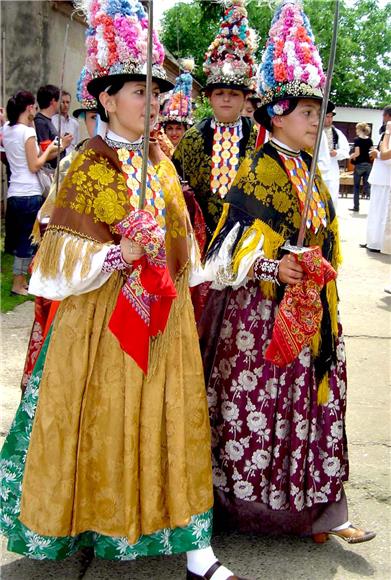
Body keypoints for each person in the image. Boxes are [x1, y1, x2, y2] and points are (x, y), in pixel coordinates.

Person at [0, 2, 246, 579]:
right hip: (103, 327)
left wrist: (228, 266)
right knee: (106, 423)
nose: (153, 101)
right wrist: (116, 254)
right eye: (140, 91)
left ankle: (198, 552)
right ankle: (99, 522)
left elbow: (183, 254)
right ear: (107, 99)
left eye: (155, 91)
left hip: (168, 324)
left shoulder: (162, 164)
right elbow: (52, 268)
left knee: (175, 424)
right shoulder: (88, 165)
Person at [196, 0, 375, 545]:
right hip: (263, 320)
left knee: (315, 403)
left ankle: (320, 510)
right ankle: (262, 509)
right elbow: (228, 251)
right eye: (309, 114)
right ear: (277, 113)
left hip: (313, 313)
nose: (318, 123)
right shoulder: (261, 169)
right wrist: (278, 264)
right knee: (265, 408)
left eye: (319, 114)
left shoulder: (309, 171)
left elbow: (326, 242)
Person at [20, 67, 100, 394]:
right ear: (84, 119)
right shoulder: (71, 162)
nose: (98, 124)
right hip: (76, 269)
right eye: (91, 117)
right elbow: (49, 215)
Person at [173, 0, 258, 247]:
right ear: (209, 97)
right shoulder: (193, 137)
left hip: (248, 237)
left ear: (244, 99)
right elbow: (177, 182)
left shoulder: (258, 137)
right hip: (200, 235)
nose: (226, 100)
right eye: (220, 93)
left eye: (233, 94)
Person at [2, 91, 59, 295]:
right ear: (29, 108)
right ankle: (19, 284)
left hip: (14, 192)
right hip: (29, 192)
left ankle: (25, 280)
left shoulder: (8, 131)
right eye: (33, 107)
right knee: (29, 241)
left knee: (21, 241)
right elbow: (35, 165)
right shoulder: (27, 133)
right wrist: (50, 149)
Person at [361, 106, 391, 253]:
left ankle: (378, 243)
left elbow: (387, 157)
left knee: (382, 214)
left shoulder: (389, 133)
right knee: (374, 212)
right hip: (380, 177)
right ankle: (372, 240)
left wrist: (377, 154)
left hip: (386, 179)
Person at [318, 101, 350, 209]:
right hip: (316, 171)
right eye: (327, 116)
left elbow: (346, 151)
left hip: (332, 172)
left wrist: (337, 153)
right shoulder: (313, 131)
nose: (329, 119)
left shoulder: (337, 133)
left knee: (331, 200)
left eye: (331, 117)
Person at [34, 84, 72, 168]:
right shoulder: (41, 123)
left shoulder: (47, 120)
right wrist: (63, 145)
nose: (61, 104)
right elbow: (45, 154)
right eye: (60, 101)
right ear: (53, 101)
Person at [162, 58, 194, 149]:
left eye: (178, 128)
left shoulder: (192, 152)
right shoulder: (158, 150)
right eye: (170, 128)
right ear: (164, 130)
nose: (174, 133)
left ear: (186, 130)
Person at [349, 122, 373, 212]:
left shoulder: (357, 140)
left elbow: (357, 153)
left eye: (356, 129)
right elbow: (371, 152)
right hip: (368, 165)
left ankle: (356, 207)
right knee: (367, 187)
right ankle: (374, 207)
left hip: (359, 165)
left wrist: (350, 156)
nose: (356, 131)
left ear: (359, 129)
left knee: (356, 187)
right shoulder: (370, 140)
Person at [52, 90, 80, 154]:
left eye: (67, 102)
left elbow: (77, 145)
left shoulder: (74, 124)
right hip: (57, 156)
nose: (65, 105)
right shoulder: (53, 120)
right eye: (63, 102)